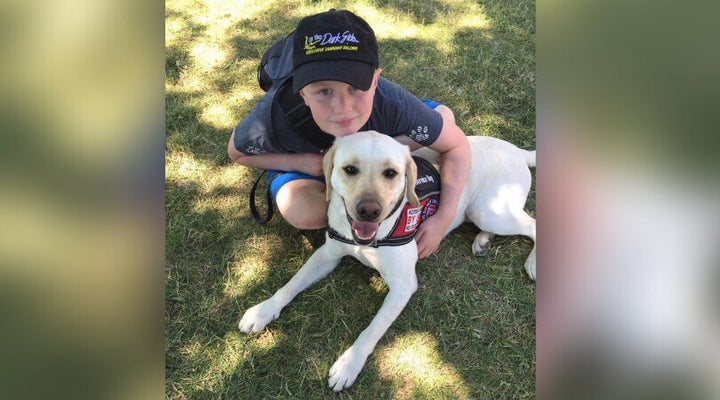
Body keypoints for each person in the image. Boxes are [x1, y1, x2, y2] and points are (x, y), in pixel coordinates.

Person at [228, 9, 470, 259]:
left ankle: (390, 152)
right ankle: (375, 160)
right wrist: (300, 162)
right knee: (304, 213)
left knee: (445, 118)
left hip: (384, 135)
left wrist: (443, 219)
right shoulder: (276, 116)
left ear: (376, 81)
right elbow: (236, 152)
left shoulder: (390, 102)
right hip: (309, 156)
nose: (342, 108)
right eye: (324, 91)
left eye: (355, 87)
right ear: (302, 93)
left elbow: (457, 146)